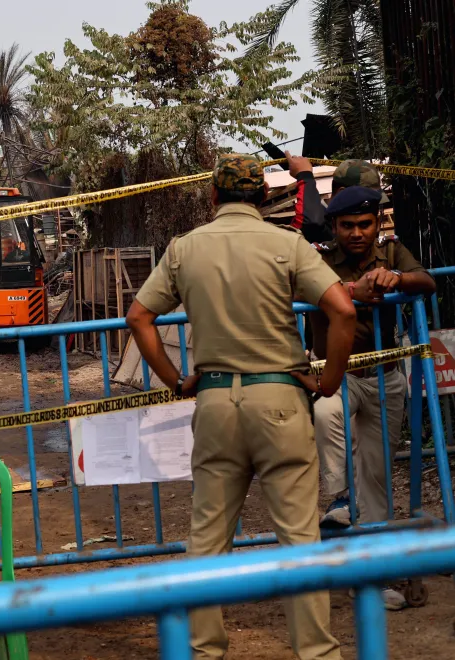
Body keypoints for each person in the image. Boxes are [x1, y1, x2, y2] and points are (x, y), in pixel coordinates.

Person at [126, 153, 355, 660]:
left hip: (213, 403)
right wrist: (330, 379)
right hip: (280, 401)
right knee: (300, 539)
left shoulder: (184, 250)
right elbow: (341, 309)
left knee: (206, 539)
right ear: (262, 197)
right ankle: (317, 653)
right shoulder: (287, 244)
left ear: (212, 197)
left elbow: (139, 317)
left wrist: (175, 381)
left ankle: (203, 650)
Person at [310, 188, 435, 546]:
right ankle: (341, 497)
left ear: (377, 222)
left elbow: (425, 281)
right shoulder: (318, 257)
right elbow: (294, 291)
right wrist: (350, 292)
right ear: (333, 226)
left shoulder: (391, 250)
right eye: (347, 225)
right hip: (338, 376)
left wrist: (396, 277)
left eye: (364, 224)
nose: (356, 232)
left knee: (376, 476)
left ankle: (374, 569)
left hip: (385, 378)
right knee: (326, 414)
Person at [286, 153, 389, 245]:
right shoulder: (322, 221)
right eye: (365, 200)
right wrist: (305, 176)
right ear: (341, 193)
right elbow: (311, 223)